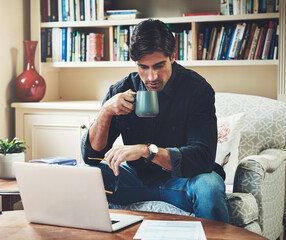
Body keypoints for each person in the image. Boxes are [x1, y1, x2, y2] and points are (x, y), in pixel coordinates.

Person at [81, 19, 229, 222]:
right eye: (143, 67)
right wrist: (106, 112)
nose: (151, 77)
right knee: (83, 175)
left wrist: (147, 151)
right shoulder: (121, 90)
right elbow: (91, 156)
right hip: (133, 180)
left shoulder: (197, 90)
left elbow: (203, 157)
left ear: (173, 57)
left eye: (159, 66)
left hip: (183, 182)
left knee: (209, 185)